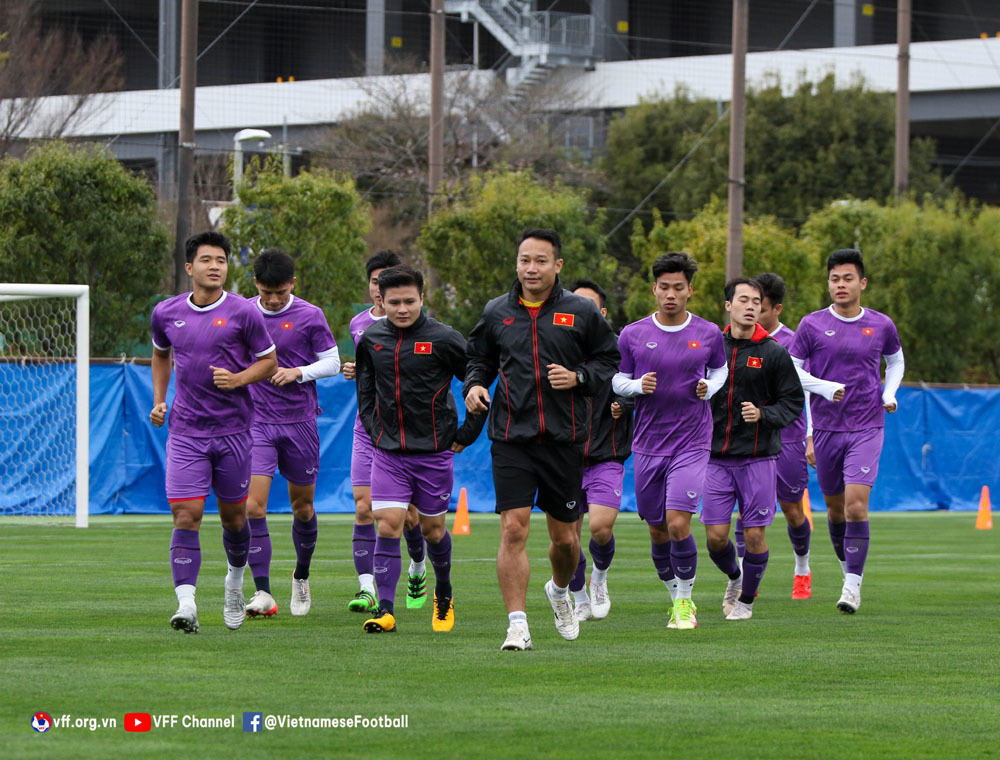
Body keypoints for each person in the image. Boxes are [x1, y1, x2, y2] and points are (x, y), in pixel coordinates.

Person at [465, 229, 620, 650]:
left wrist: (579, 377)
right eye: (524, 260)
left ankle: (557, 590)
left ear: (558, 266)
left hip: (565, 440)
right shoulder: (497, 311)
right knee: (513, 529)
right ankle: (517, 624)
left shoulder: (581, 312)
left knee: (566, 542)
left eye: (540, 260)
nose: (531, 268)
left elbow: (609, 361)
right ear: (516, 264)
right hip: (510, 439)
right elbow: (477, 358)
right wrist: (475, 386)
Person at [150, 231, 277, 633]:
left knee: (234, 519)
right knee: (185, 514)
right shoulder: (166, 312)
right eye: (207, 260)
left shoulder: (244, 312)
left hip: (235, 433)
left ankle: (235, 585)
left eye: (221, 260)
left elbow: (270, 362)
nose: (215, 266)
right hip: (187, 432)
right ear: (190, 268)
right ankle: (186, 604)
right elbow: (159, 352)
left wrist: (239, 380)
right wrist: (159, 399)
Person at [355, 266, 485, 633]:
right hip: (388, 453)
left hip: (433, 455)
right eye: (393, 302)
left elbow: (477, 378)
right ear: (381, 300)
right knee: (388, 524)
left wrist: (467, 432)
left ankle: (443, 594)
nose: (402, 308)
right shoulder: (371, 339)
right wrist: (374, 428)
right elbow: (365, 391)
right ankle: (385, 609)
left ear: (422, 299)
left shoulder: (444, 338)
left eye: (409, 301)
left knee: (433, 531)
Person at [613, 252, 728, 631]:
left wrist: (709, 387)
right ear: (654, 289)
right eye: (664, 287)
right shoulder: (632, 334)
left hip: (692, 442)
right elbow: (617, 380)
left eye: (679, 287)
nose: (671, 294)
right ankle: (673, 594)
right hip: (647, 443)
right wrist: (636, 386)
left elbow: (721, 370)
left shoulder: (709, 333)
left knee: (679, 524)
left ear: (690, 290)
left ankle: (684, 603)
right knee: (657, 528)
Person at [789, 248, 904, 614]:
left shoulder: (881, 324)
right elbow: (791, 371)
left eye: (848, 278)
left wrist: (888, 393)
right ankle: (847, 571)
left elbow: (896, 360)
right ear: (829, 283)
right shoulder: (810, 325)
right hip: (825, 429)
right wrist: (821, 394)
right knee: (835, 511)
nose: (841, 284)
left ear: (862, 283)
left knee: (856, 506)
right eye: (835, 279)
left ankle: (852, 587)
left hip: (867, 426)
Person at [243, 249, 341, 619]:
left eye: (280, 292)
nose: (272, 299)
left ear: (292, 285)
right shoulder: (243, 312)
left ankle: (301, 575)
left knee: (302, 507)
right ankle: (263, 591)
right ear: (256, 284)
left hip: (299, 422)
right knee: (253, 506)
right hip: (256, 423)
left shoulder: (310, 315)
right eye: (267, 292)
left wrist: (298, 372)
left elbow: (332, 361)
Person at [702, 278, 804, 620]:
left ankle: (745, 602)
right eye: (743, 300)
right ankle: (735, 577)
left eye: (756, 301)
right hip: (714, 458)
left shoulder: (774, 352)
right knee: (716, 538)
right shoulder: (709, 346)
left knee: (756, 535)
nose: (750, 306)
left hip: (759, 458)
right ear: (728, 306)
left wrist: (764, 414)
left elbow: (793, 402)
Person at [341, 251, 428, 615]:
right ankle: (367, 589)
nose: (380, 288)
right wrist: (354, 370)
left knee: (408, 516)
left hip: (406, 436)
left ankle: (418, 567)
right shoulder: (359, 324)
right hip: (367, 429)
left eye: (387, 282)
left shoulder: (424, 328)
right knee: (365, 508)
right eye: (376, 281)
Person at [568, 280, 634, 622]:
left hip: (606, 454)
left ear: (602, 313)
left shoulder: (621, 352)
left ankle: (600, 579)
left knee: (600, 528)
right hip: (564, 457)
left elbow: (638, 388)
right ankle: (579, 597)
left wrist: (624, 403)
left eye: (589, 306)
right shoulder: (556, 351)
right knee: (567, 537)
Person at [750, 271, 815, 599]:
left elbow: (808, 392)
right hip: (750, 439)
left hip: (789, 437)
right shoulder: (737, 339)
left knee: (792, 509)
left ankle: (802, 566)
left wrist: (810, 437)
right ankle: (749, 579)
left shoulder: (793, 342)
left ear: (776, 309)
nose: (751, 311)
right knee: (746, 511)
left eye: (759, 306)